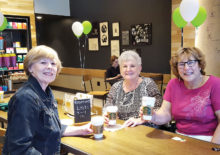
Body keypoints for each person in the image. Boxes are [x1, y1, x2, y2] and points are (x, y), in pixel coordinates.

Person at [3, 45, 93, 155]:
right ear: (30, 68)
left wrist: (82, 129)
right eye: (43, 62)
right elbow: (20, 149)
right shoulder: (26, 98)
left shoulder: (47, 94)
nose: (49, 67)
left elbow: (49, 127)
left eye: (53, 63)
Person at [148, 47, 220, 144]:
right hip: (180, 138)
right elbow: (166, 113)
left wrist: (213, 148)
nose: (186, 68)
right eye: (181, 64)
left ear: (200, 65)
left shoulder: (215, 84)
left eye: (191, 62)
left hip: (208, 139)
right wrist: (153, 116)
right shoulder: (173, 84)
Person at [104, 50, 162, 127]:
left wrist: (141, 120)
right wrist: (106, 115)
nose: (128, 69)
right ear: (120, 69)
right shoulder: (115, 87)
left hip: (145, 130)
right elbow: (108, 105)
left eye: (132, 66)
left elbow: (159, 109)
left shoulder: (148, 84)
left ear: (139, 68)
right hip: (122, 129)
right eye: (124, 66)